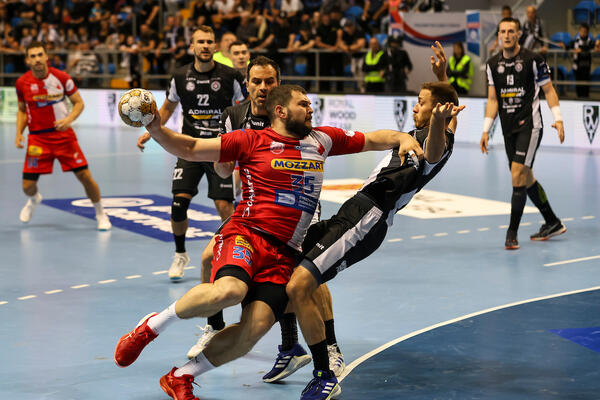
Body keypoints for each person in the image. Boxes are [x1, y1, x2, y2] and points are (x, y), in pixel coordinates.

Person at [114, 84, 424, 400]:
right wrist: (157, 129)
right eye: (303, 104)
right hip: (246, 234)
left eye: (310, 104)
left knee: (254, 328)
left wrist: (401, 137)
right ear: (281, 111)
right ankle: (150, 327)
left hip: (285, 252)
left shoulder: (322, 140)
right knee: (230, 291)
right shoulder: (251, 140)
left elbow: (371, 139)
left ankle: (181, 376)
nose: (310, 109)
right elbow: (192, 147)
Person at [286, 41, 465, 400]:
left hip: (367, 218)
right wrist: (443, 77)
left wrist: (438, 118)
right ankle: (301, 348)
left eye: (421, 103)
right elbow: (448, 110)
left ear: (435, 113)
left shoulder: (436, 140)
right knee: (292, 264)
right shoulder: (429, 128)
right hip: (354, 209)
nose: (415, 107)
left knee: (299, 283)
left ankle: (325, 372)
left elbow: (434, 148)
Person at [185, 57, 346, 383]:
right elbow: (223, 169)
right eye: (256, 81)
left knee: (307, 278)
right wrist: (224, 162)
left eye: (269, 82)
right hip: (256, 211)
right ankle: (217, 327)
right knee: (208, 258)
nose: (262, 88)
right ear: (246, 84)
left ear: (278, 85)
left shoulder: (292, 114)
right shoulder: (234, 116)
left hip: (298, 209)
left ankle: (329, 348)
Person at [136, 26, 245, 280]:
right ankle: (180, 254)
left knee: (224, 206)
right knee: (178, 203)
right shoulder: (180, 76)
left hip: (219, 148)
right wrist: (152, 130)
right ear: (192, 46)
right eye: (200, 42)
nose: (205, 46)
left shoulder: (230, 75)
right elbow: (168, 108)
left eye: (209, 42)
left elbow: (245, 107)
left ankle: (232, 256)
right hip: (189, 147)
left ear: (215, 46)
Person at [481, 17, 566, 250]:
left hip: (530, 125)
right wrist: (486, 130)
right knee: (526, 177)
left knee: (517, 173)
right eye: (503, 31)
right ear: (498, 35)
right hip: (508, 128)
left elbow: (549, 90)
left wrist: (558, 119)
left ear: (518, 34)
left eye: (511, 31)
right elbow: (492, 100)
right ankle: (552, 221)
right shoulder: (492, 64)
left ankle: (512, 233)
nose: (507, 35)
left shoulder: (533, 60)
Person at [15, 41, 111, 230]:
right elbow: (22, 110)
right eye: (33, 56)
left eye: (40, 55)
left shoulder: (61, 77)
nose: (37, 59)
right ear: (27, 60)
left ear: (46, 57)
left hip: (63, 136)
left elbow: (79, 103)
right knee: (27, 186)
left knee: (84, 175)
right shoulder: (21, 83)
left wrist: (69, 119)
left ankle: (100, 212)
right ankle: (34, 199)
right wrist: (18, 133)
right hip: (37, 139)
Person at [570, 23, 595, 98]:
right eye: (581, 31)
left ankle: (586, 98)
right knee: (579, 85)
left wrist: (581, 49)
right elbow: (569, 46)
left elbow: (591, 46)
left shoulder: (590, 41)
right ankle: (579, 98)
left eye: (585, 31)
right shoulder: (576, 41)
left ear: (587, 32)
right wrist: (564, 45)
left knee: (586, 86)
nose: (583, 33)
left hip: (586, 67)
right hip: (577, 68)